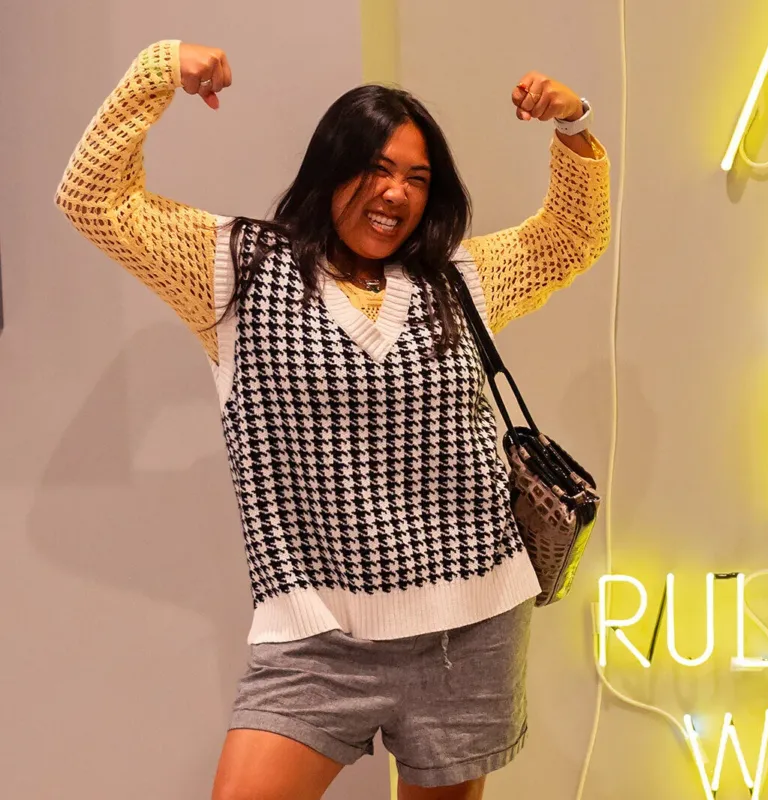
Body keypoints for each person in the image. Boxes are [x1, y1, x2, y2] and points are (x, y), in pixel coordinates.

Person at [56, 39, 611, 799]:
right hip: (314, 640)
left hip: (469, 623)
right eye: (376, 168)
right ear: (330, 171)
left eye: (417, 178)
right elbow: (93, 198)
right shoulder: (238, 270)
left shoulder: (455, 282)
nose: (396, 193)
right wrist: (157, 71)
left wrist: (574, 126)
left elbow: (569, 238)